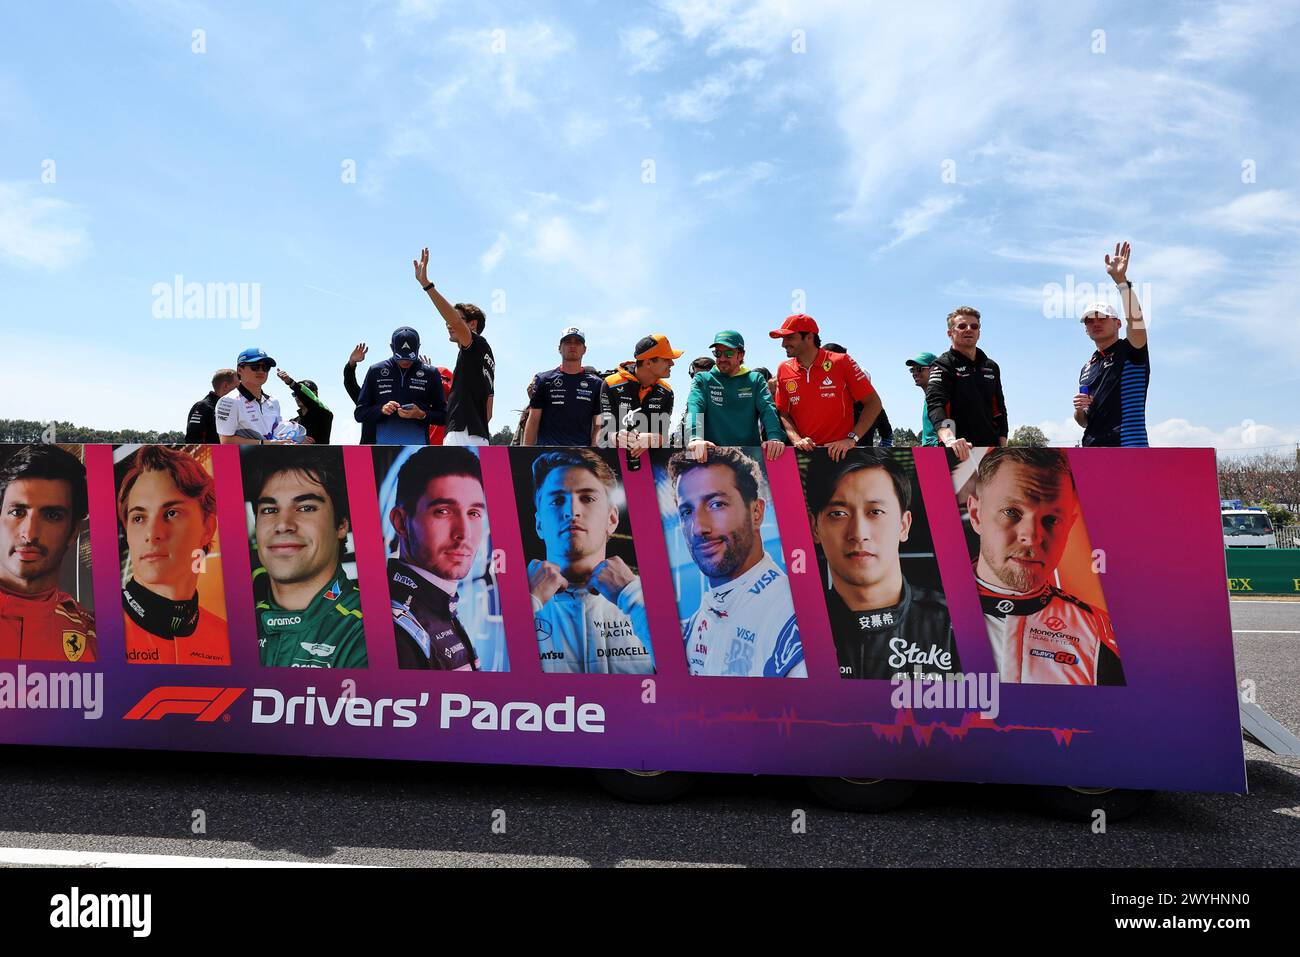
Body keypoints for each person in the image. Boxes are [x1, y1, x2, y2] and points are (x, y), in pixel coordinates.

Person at [965, 447, 1123, 686]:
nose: (1032, 536)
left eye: (1051, 520)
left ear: (1069, 527)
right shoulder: (924, 616)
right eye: (1012, 512)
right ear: (976, 515)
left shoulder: (1100, 633)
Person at [806, 449, 959, 680]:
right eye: (838, 513)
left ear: (904, 525)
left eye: (875, 512)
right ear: (815, 527)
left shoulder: (955, 626)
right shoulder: (795, 628)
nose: (859, 534)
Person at [666, 446, 805, 678]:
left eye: (716, 504)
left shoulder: (792, 617)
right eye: (686, 512)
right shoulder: (694, 624)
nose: (699, 527)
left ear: (757, 512)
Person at [527, 449, 654, 674]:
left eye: (587, 498)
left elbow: (690, 676)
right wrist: (527, 603)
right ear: (538, 525)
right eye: (557, 500)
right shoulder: (501, 603)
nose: (572, 511)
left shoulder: (653, 596)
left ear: (612, 518)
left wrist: (633, 596)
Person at [243, 446, 368, 668]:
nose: (283, 525)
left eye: (306, 507)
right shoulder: (229, 621)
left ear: (341, 525)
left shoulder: (370, 628)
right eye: (270, 510)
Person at [117, 446, 230, 665]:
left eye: (171, 513)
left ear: (207, 528)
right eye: (138, 518)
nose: (152, 534)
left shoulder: (228, 639)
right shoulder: (96, 631)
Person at [387, 447, 486, 670]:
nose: (464, 533)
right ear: (401, 522)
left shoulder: (441, 603)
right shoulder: (394, 629)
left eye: (474, 513)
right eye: (443, 511)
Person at [0, 445, 97, 662]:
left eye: (52, 516)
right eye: (17, 512)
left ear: (73, 532)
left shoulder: (94, 636)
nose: (29, 534)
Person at [770, 315, 881, 463]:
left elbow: (874, 403)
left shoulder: (842, 361)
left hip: (841, 455)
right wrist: (796, 439)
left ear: (809, 337)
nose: (783, 344)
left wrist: (851, 439)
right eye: (783, 339)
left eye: (789, 338)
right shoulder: (783, 368)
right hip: (804, 457)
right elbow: (784, 413)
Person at [413, 248, 495, 446]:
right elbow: (489, 410)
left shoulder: (476, 344)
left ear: (472, 324)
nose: (449, 324)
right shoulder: (485, 355)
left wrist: (427, 285)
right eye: (448, 321)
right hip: (477, 434)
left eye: (455, 319)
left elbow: (456, 323)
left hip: (462, 432)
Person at [1074, 241, 1150, 447]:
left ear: (1117, 323)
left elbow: (1136, 321)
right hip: (1091, 450)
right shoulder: (1087, 367)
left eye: (1102, 318)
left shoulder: (1131, 350)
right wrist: (1080, 410)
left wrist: (1121, 282)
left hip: (1129, 446)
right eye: (1089, 320)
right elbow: (1084, 421)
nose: (1095, 323)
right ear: (1085, 328)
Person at [684, 330, 785, 462]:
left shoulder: (755, 380)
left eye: (729, 353)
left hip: (749, 458)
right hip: (712, 457)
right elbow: (695, 406)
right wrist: (695, 437)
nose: (722, 358)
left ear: (741, 354)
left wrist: (774, 438)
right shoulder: (703, 379)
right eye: (718, 353)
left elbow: (767, 409)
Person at [926, 307, 1008, 462]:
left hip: (989, 454)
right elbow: (935, 405)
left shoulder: (992, 366)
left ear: (979, 332)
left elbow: (1000, 410)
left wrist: (1002, 448)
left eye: (974, 326)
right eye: (962, 326)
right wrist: (949, 439)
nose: (969, 329)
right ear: (950, 333)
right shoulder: (941, 365)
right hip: (956, 451)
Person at [354, 326, 446, 446]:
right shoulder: (375, 371)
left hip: (418, 452)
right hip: (379, 452)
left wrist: (421, 414)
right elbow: (359, 413)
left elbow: (444, 416)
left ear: (418, 348)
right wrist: (381, 409)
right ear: (392, 348)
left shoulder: (431, 373)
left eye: (409, 357)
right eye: (400, 356)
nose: (405, 362)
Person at [602, 334, 682, 458]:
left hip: (652, 466)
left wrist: (653, 438)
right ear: (648, 363)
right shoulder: (611, 384)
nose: (672, 364)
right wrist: (617, 437)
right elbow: (605, 433)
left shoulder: (667, 391)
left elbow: (663, 436)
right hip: (615, 464)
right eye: (666, 359)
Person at [523, 327, 606, 447]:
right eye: (568, 342)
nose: (572, 346)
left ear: (584, 349)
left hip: (582, 454)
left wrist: (595, 452)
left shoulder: (596, 384)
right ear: (559, 348)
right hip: (547, 454)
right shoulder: (544, 379)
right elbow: (533, 420)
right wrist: (526, 453)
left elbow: (598, 425)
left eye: (577, 342)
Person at [823, 342, 892, 448]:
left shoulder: (874, 407)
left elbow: (887, 435)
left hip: (863, 460)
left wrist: (883, 455)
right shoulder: (832, 400)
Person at [215, 348, 287, 445]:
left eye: (266, 367)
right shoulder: (228, 401)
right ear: (240, 370)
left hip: (271, 458)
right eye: (255, 366)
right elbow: (225, 441)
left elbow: (278, 432)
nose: (261, 371)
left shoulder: (273, 401)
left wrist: (296, 438)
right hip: (244, 459)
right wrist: (263, 443)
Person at [276, 369, 333, 444]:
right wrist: (296, 440)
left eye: (299, 394)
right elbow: (279, 439)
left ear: (314, 394)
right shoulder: (293, 422)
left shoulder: (325, 414)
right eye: (295, 394)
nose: (297, 397)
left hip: (319, 455)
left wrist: (291, 382)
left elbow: (310, 400)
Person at [185, 369, 238, 443]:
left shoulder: (234, 408)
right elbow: (194, 441)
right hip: (212, 454)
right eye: (237, 387)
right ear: (225, 386)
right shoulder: (202, 407)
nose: (239, 391)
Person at [905, 353, 941, 447]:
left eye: (919, 369)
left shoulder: (943, 398)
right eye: (912, 370)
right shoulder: (928, 397)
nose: (915, 373)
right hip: (927, 452)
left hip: (938, 453)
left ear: (934, 369)